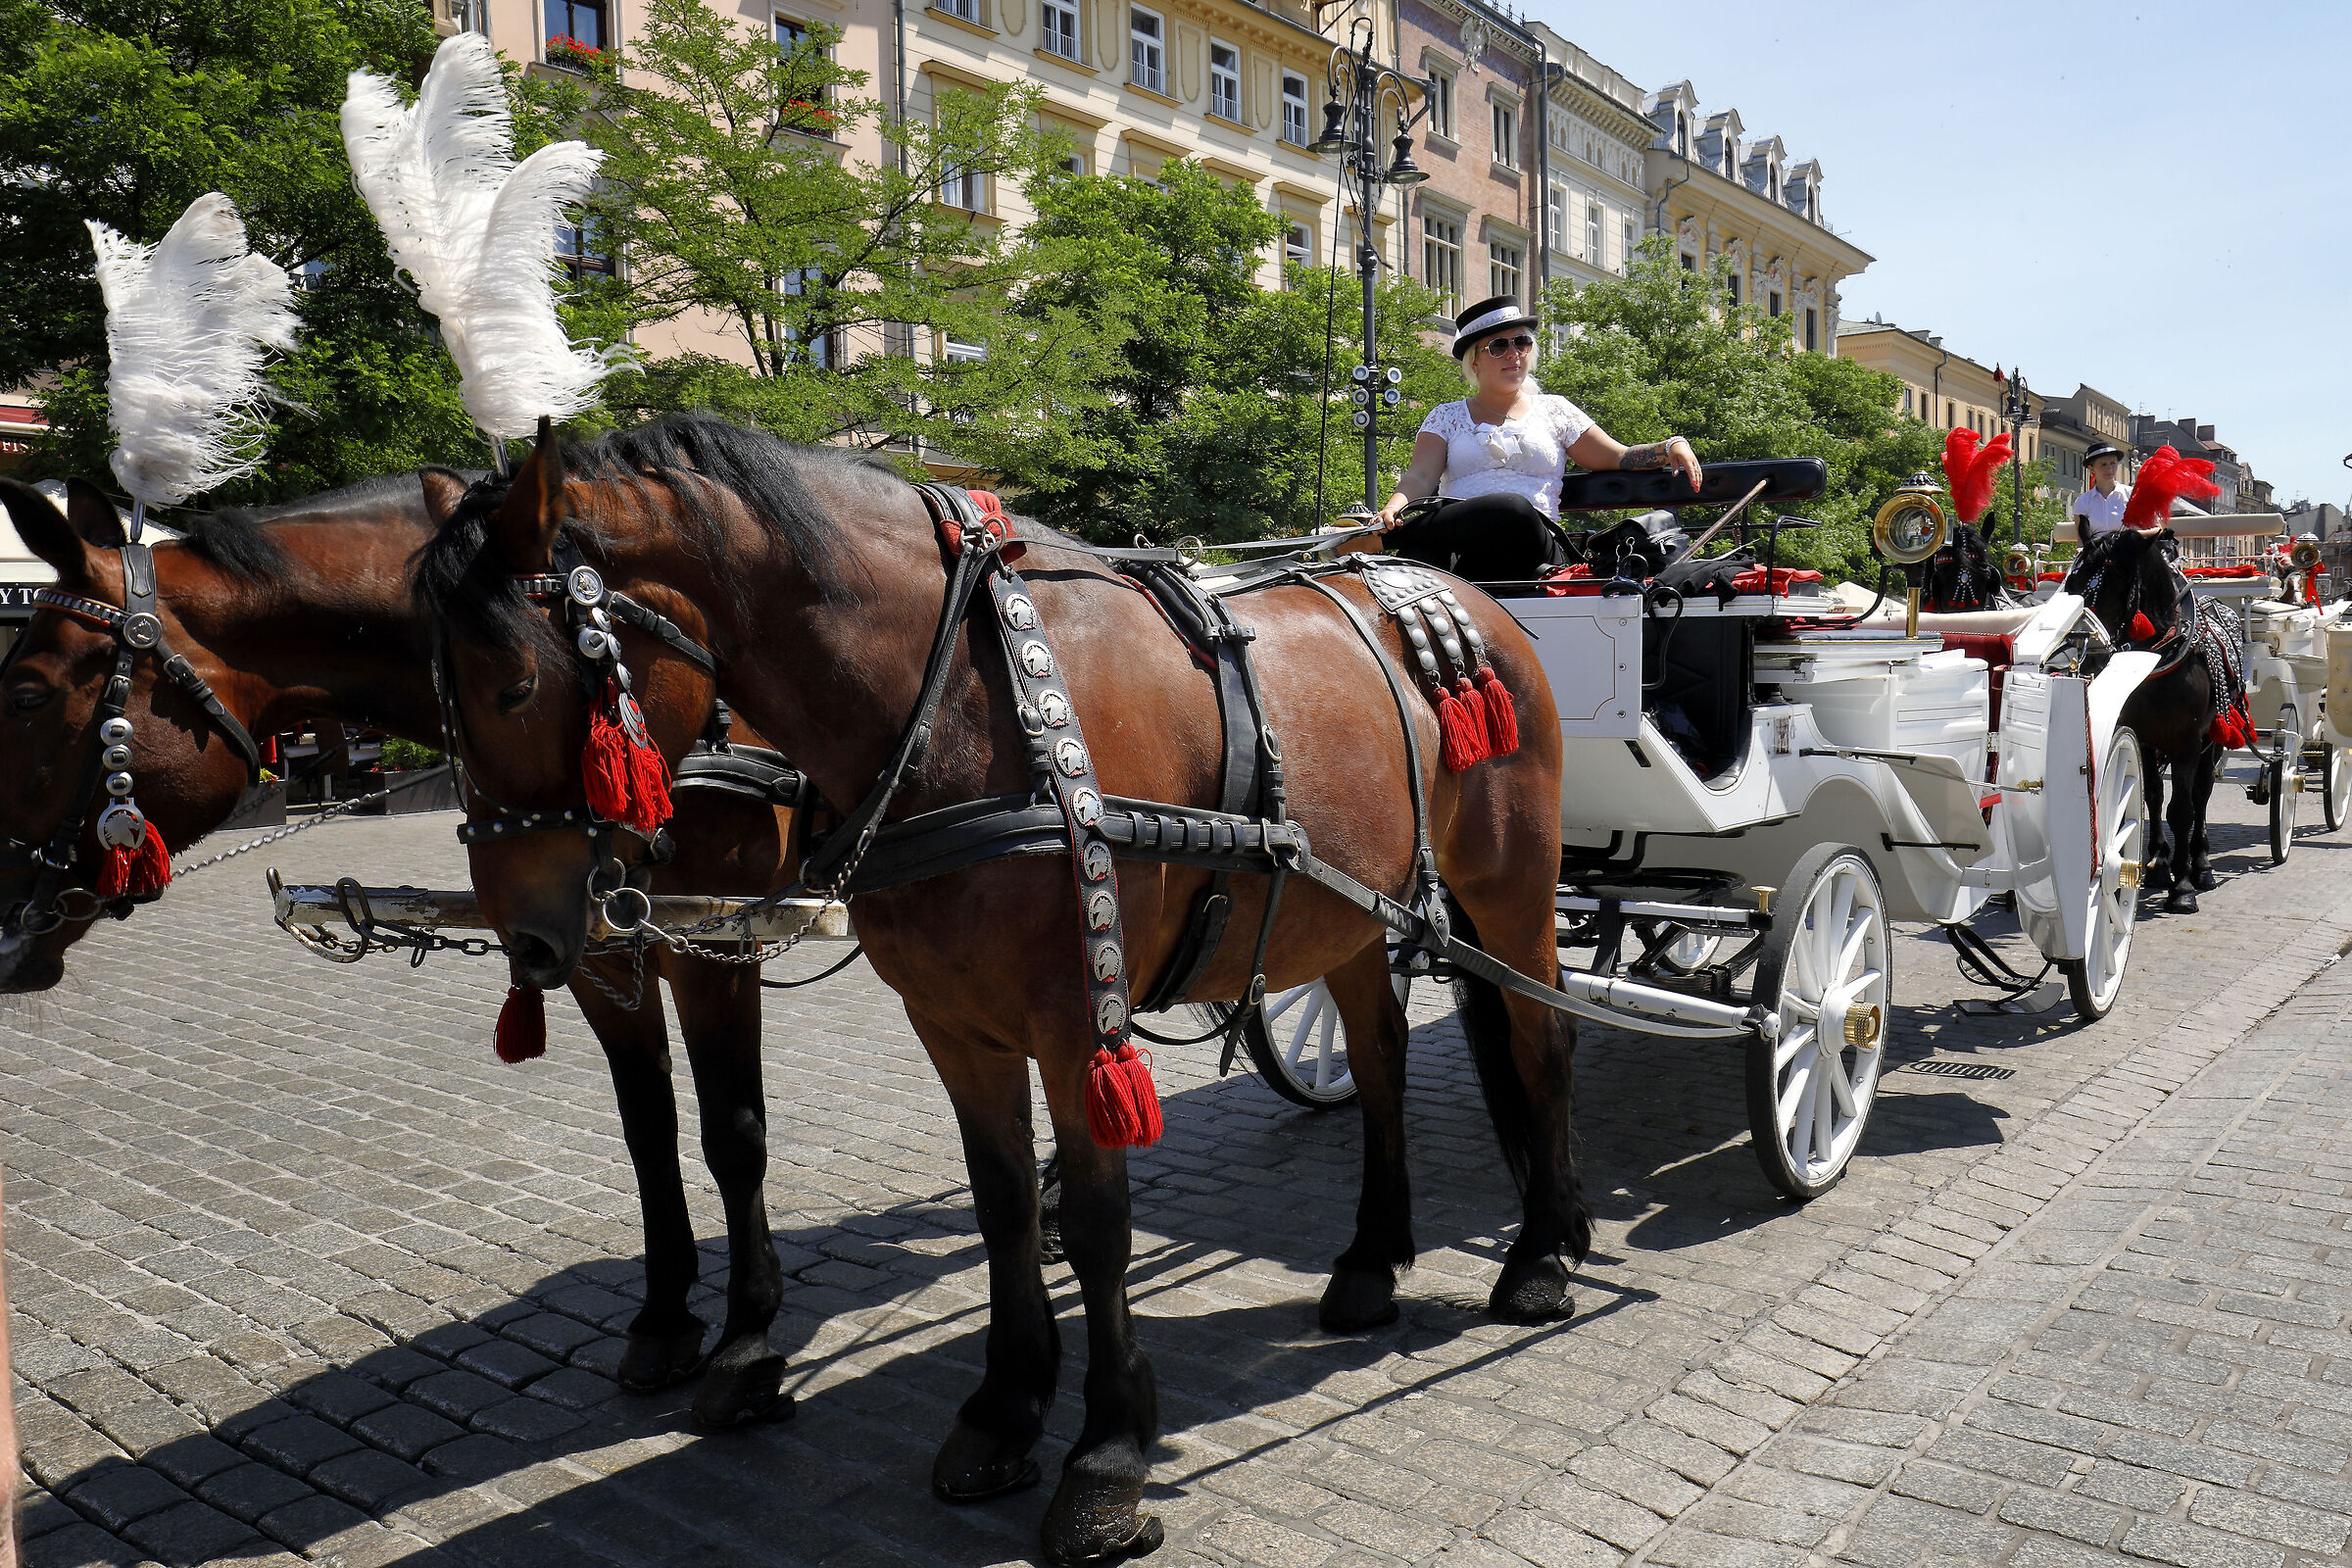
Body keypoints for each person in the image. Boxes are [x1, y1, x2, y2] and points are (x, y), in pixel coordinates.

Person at [1375, 294, 1703, 582]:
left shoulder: (1555, 410)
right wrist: (1391, 511)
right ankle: (1382, 542)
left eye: (1521, 343)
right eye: (1499, 346)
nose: (1514, 354)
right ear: (1474, 360)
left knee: (1512, 508)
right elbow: (1419, 477)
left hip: (1534, 549)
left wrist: (1671, 446)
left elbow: (1617, 456)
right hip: (1466, 554)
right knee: (1417, 557)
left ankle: (1376, 540)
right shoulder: (1446, 416)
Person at [2066, 443, 2132, 542]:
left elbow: (2148, 529)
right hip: (2096, 550)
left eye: (2113, 463)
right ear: (2092, 469)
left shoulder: (2131, 495)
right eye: (2103, 464)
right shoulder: (2082, 502)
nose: (2109, 468)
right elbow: (2082, 540)